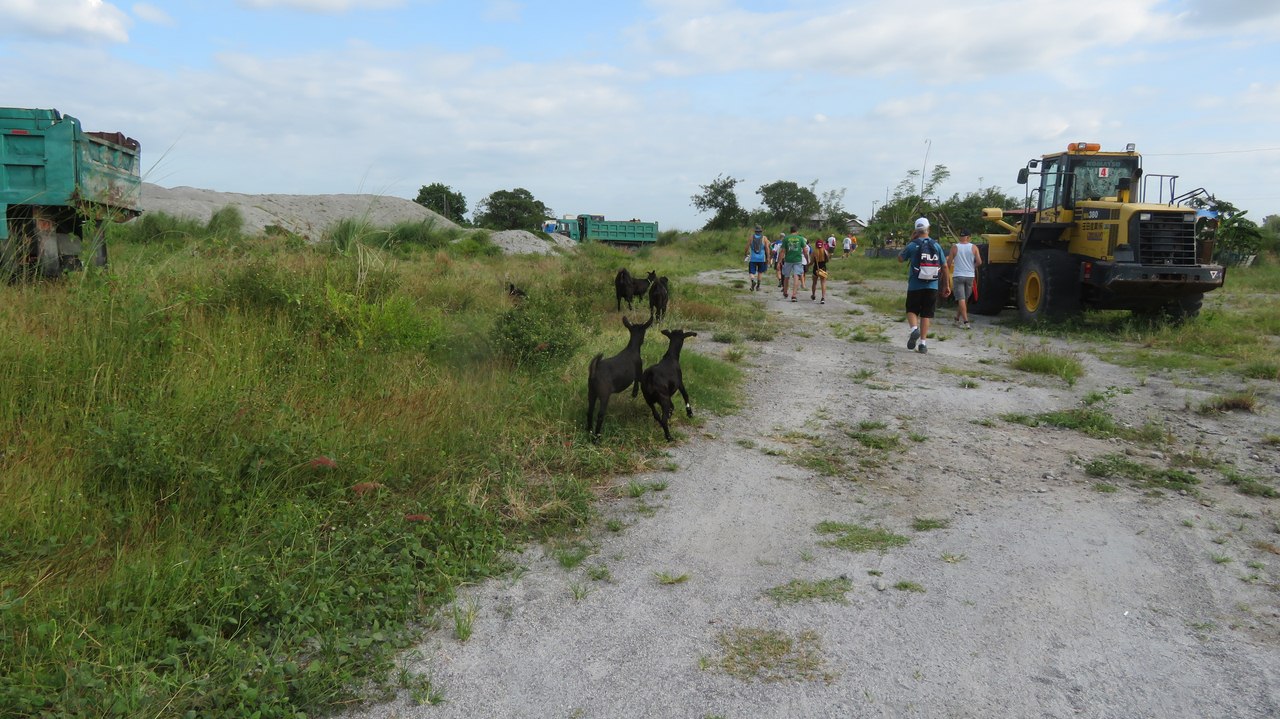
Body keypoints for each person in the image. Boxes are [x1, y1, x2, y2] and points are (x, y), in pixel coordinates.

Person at [897, 217, 951, 354]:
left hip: (915, 285)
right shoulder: (936, 245)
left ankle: (914, 329)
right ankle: (923, 344)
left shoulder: (912, 245)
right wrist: (946, 285)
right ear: (928, 229)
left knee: (912, 310)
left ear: (916, 230)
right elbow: (945, 266)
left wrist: (911, 240)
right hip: (932, 286)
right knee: (926, 314)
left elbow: (900, 258)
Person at [947, 229, 982, 328]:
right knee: (964, 299)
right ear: (968, 237)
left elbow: (949, 263)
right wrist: (972, 267)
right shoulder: (974, 247)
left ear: (960, 237)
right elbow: (979, 262)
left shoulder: (955, 247)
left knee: (961, 299)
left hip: (958, 275)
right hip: (970, 276)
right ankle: (957, 319)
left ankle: (966, 322)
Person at [780, 225, 809, 302]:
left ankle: (785, 292)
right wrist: (807, 260)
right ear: (797, 231)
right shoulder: (800, 238)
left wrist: (779, 261)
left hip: (788, 259)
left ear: (790, 231)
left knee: (786, 276)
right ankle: (794, 295)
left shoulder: (786, 238)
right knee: (796, 276)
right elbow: (805, 250)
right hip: (797, 260)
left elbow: (782, 251)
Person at [745, 226, 771, 292]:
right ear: (761, 231)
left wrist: (746, 253)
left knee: (751, 272)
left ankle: (753, 281)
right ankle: (758, 286)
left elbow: (747, 246)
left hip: (753, 258)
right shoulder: (764, 238)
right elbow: (767, 248)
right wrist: (768, 257)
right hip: (761, 259)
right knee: (760, 272)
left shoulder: (751, 237)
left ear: (755, 231)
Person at [810, 235, 830, 303]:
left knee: (814, 283)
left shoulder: (814, 252)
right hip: (823, 268)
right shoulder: (825, 251)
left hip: (816, 268)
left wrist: (807, 265)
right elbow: (827, 260)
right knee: (823, 283)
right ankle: (823, 298)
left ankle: (813, 295)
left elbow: (812, 262)